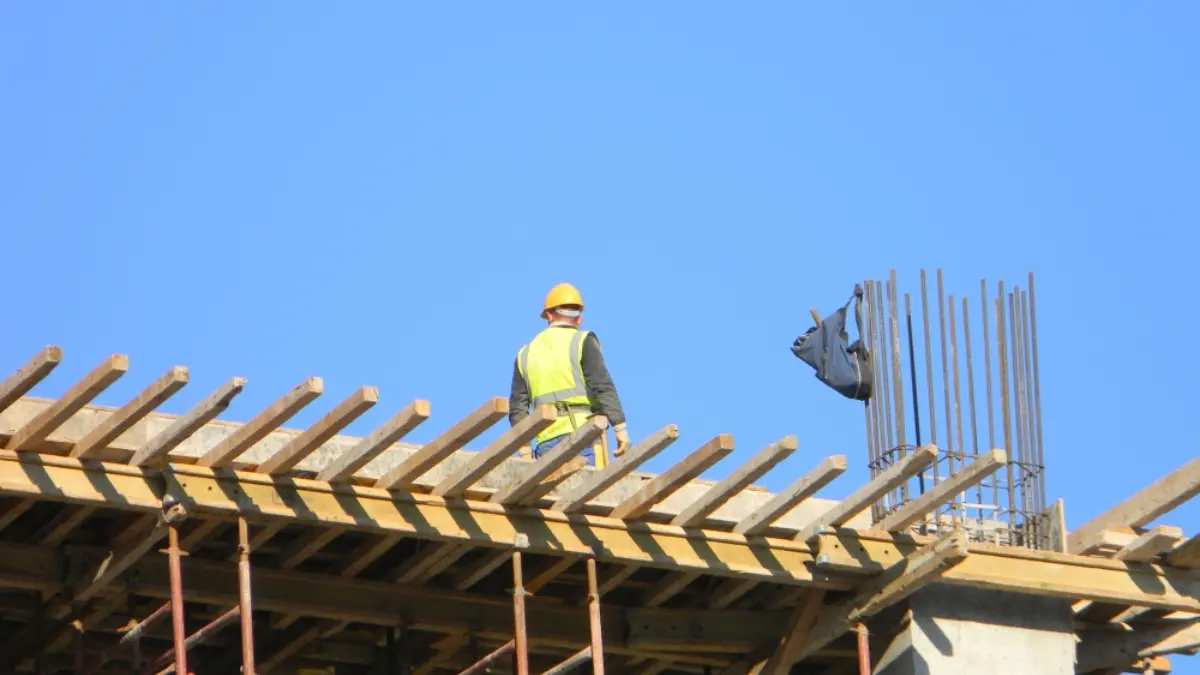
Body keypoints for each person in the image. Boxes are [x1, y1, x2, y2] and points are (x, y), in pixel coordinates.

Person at [508, 283, 630, 467]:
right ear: (579, 319)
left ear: (548, 315)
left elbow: (518, 409)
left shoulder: (525, 354)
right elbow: (602, 386)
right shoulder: (582, 341)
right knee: (590, 492)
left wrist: (524, 450)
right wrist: (620, 428)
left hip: (545, 443)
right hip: (584, 436)